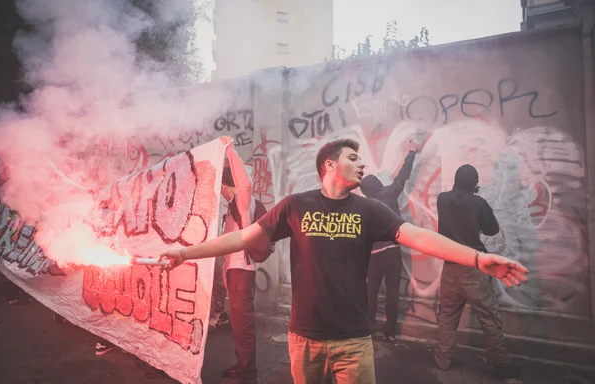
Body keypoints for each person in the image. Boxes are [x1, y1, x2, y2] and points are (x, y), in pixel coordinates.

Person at [159, 138, 528, 384]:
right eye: (353, 158)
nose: (362, 164)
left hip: (354, 342)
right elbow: (242, 237)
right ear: (330, 165)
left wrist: (478, 258)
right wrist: (184, 252)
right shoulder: (294, 205)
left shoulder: (370, 209)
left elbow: (419, 236)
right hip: (304, 340)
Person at [433, 164, 518, 379]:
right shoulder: (478, 202)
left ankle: (443, 360)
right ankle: (501, 364)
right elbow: (492, 229)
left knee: (447, 318)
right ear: (475, 183)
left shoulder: (442, 199)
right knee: (489, 318)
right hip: (473, 267)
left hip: (450, 267)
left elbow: (455, 205)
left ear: (455, 179)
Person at [360, 138, 420, 342]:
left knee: (371, 291)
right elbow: (404, 175)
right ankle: (391, 331)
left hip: (374, 255)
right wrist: (412, 152)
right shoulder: (390, 192)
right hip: (393, 252)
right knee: (393, 291)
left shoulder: (363, 206)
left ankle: (369, 327)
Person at [216, 161, 260, 384]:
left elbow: (244, 185)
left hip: (242, 273)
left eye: (221, 187)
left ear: (225, 185)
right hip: (236, 272)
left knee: (242, 324)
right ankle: (243, 366)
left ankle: (247, 372)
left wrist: (230, 152)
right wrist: (225, 271)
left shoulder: (243, 203)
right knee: (238, 323)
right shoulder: (233, 207)